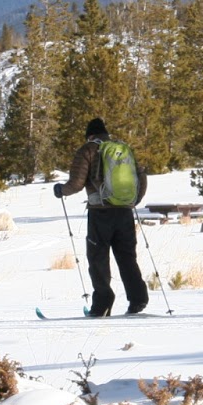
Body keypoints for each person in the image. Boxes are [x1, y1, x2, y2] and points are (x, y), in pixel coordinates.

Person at [53, 118, 149, 316]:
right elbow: (141, 177)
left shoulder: (88, 150)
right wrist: (133, 200)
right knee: (127, 256)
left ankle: (103, 303)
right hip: (125, 211)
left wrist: (61, 190)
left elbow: (77, 183)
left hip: (100, 212)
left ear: (89, 135)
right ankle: (138, 299)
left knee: (98, 259)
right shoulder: (123, 149)